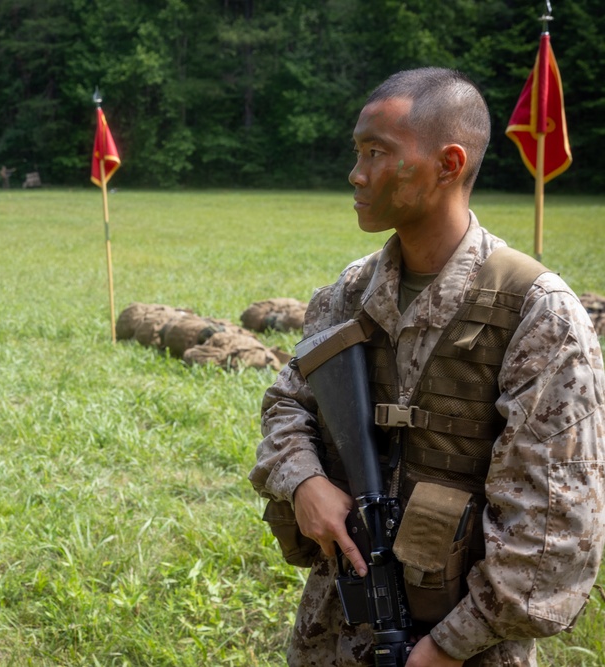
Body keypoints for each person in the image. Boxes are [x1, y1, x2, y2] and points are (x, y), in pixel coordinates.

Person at [249, 67, 605, 667]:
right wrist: (304, 481)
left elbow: (555, 532)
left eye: (376, 153)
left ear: (449, 163)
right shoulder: (351, 291)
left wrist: (443, 649)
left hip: (466, 646)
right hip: (335, 627)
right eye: (356, 152)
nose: (356, 174)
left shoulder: (537, 314)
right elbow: (288, 403)